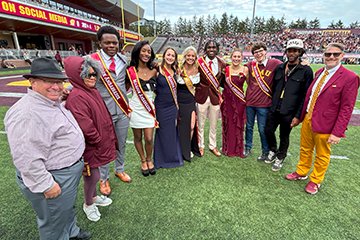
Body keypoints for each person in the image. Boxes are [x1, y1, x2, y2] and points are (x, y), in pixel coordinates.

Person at [4, 57, 91, 240]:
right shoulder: (27, 114)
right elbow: (25, 158)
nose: (56, 86)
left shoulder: (48, 101)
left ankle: (72, 233)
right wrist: (46, 184)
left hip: (64, 171)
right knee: (53, 223)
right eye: (49, 81)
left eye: (59, 81)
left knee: (65, 210)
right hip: (53, 176)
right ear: (33, 82)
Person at [285, 43, 360, 195]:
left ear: (342, 56)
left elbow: (347, 107)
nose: (331, 57)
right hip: (308, 118)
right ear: (323, 56)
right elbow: (310, 96)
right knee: (305, 148)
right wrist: (301, 117)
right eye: (328, 54)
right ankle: (302, 171)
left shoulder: (350, 77)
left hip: (326, 123)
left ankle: (315, 180)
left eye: (335, 54)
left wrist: (337, 132)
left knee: (322, 153)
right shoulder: (319, 72)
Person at [64, 56, 117, 222]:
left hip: (98, 142)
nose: (93, 77)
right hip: (90, 146)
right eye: (88, 74)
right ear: (77, 75)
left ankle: (93, 198)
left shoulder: (91, 90)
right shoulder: (77, 96)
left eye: (95, 74)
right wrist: (98, 139)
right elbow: (85, 125)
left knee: (95, 174)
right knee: (92, 176)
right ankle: (88, 204)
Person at [90, 25, 132, 196]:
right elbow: (83, 82)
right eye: (107, 43)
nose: (111, 46)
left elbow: (128, 80)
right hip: (103, 112)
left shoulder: (123, 60)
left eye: (114, 42)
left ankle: (119, 169)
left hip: (122, 110)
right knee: (104, 147)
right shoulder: (91, 60)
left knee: (120, 143)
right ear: (100, 43)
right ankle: (104, 179)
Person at [264, 39, 314, 171]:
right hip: (275, 107)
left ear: (300, 52)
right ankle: (273, 150)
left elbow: (306, 96)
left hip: (290, 110)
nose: (292, 53)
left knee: (284, 135)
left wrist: (298, 116)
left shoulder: (306, 71)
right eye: (290, 50)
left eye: (295, 51)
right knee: (268, 130)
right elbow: (274, 87)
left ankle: (281, 156)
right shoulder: (280, 68)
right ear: (286, 52)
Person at [244, 42, 282, 160]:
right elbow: (235, 68)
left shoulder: (275, 63)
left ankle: (265, 151)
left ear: (266, 51)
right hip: (250, 102)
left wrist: (303, 62)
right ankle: (247, 147)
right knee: (249, 127)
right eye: (256, 52)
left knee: (262, 129)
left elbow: (288, 67)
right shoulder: (250, 65)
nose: (258, 54)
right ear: (253, 55)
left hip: (264, 104)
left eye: (261, 51)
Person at [126, 40, 157, 176]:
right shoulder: (130, 71)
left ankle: (149, 159)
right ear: (138, 52)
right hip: (135, 108)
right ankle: (143, 160)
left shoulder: (155, 70)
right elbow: (124, 89)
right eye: (144, 51)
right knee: (137, 137)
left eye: (149, 51)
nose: (146, 54)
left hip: (149, 108)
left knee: (149, 138)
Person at [195, 40, 226, 157]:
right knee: (200, 124)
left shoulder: (222, 64)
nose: (211, 49)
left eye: (214, 47)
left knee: (213, 124)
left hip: (215, 97)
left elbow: (223, 81)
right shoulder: (199, 62)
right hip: (201, 96)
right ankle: (200, 145)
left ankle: (212, 146)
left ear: (217, 49)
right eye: (209, 47)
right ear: (205, 49)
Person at [154, 47, 183, 168]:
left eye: (173, 56)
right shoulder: (157, 69)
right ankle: (160, 160)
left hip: (172, 106)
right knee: (161, 132)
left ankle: (173, 158)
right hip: (161, 106)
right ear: (164, 56)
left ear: (175, 58)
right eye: (168, 55)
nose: (170, 57)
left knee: (171, 132)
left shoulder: (176, 71)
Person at [221, 48, 247, 158]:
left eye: (238, 57)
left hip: (239, 101)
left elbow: (250, 85)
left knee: (238, 124)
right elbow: (221, 84)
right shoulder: (226, 69)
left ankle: (238, 148)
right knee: (229, 123)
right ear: (231, 58)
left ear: (241, 58)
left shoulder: (245, 69)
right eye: (234, 56)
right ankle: (228, 148)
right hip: (227, 101)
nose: (236, 59)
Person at [177, 46, 201, 161]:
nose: (190, 58)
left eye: (193, 56)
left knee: (191, 127)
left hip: (191, 101)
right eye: (188, 55)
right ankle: (180, 149)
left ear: (195, 57)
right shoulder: (178, 69)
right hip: (179, 102)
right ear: (185, 56)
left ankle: (187, 149)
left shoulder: (198, 69)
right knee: (180, 127)